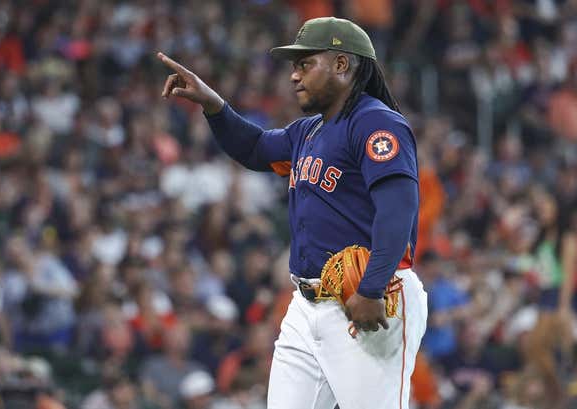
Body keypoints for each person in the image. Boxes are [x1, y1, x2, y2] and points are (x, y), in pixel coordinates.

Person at [158, 16, 428, 409]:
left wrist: (370, 288)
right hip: (306, 306)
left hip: (368, 300)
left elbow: (398, 208)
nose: (294, 76)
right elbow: (254, 149)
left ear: (341, 65)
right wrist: (213, 105)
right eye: (294, 66)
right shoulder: (310, 130)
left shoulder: (375, 122)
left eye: (305, 64)